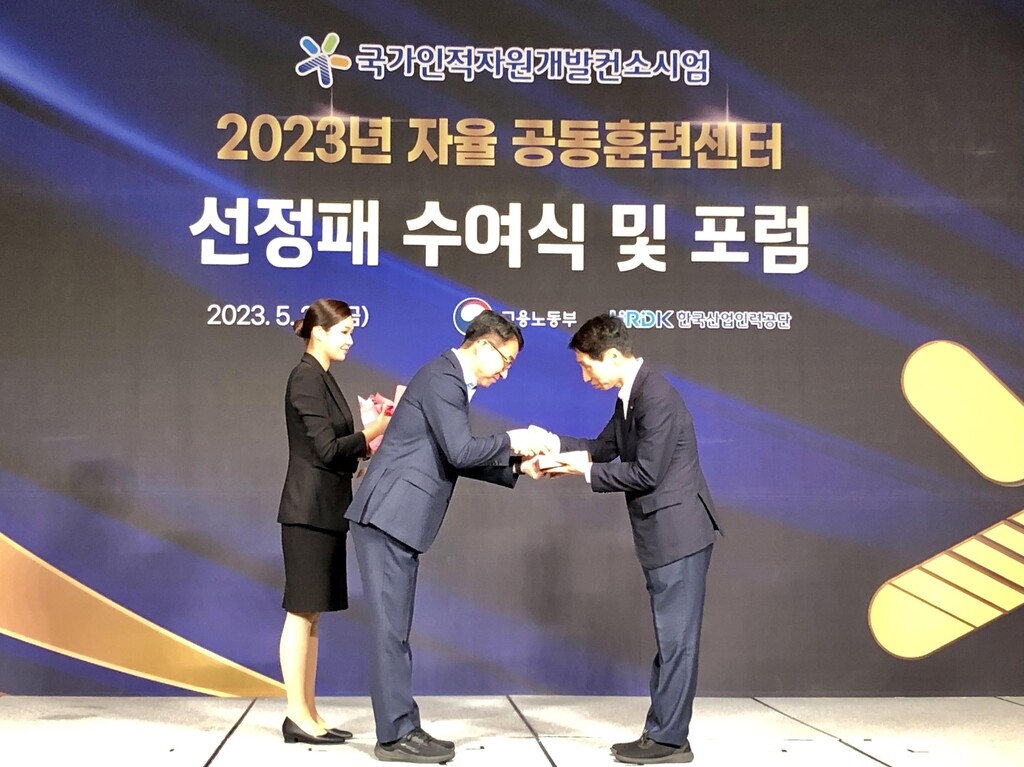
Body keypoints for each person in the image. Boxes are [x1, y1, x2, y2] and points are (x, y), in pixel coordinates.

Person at [344, 310, 552, 764]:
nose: (505, 373)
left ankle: (403, 726)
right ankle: (394, 737)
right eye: (505, 361)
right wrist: (514, 439)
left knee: (396, 631)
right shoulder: (444, 378)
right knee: (390, 633)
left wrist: (518, 466)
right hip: (387, 516)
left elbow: (455, 455)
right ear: (483, 344)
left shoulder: (448, 379)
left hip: (396, 519)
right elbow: (460, 451)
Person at [540, 313, 722, 765]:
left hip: (679, 535)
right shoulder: (631, 395)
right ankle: (661, 733)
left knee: (676, 641)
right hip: (663, 536)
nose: (586, 378)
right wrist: (550, 446)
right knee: (670, 638)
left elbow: (646, 473)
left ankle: (669, 741)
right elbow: (603, 448)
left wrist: (582, 472)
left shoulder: (655, 397)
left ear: (613, 356)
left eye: (588, 367)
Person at [276, 299, 390, 745]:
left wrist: (365, 439)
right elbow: (324, 449)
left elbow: (334, 447)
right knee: (300, 612)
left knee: (312, 615)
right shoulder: (305, 377)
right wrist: (375, 430)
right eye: (344, 332)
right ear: (318, 332)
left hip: (326, 509)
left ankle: (309, 712)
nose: (350, 340)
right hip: (307, 511)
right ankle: (295, 714)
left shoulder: (323, 377)